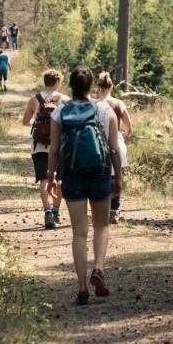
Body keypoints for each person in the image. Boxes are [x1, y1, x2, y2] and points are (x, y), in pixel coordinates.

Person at [47, 65, 122, 306]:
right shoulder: (104, 109)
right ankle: (98, 268)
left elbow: (55, 149)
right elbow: (114, 148)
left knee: (79, 232)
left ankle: (81, 288)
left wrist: (51, 177)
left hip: (72, 175)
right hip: (100, 173)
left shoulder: (60, 113)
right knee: (101, 226)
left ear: (71, 85)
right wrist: (117, 176)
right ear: (91, 86)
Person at [22, 69, 69, 229]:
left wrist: (37, 125)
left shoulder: (34, 99)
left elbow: (25, 121)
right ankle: (56, 211)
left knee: (44, 180)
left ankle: (47, 212)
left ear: (44, 82)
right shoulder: (65, 100)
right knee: (60, 180)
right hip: (60, 146)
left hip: (39, 147)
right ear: (58, 83)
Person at [96, 72, 132, 224]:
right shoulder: (119, 104)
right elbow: (129, 126)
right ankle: (114, 210)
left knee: (99, 176)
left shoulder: (94, 104)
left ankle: (101, 208)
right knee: (116, 176)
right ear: (111, 87)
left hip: (97, 142)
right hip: (116, 141)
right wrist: (123, 136)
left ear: (98, 87)